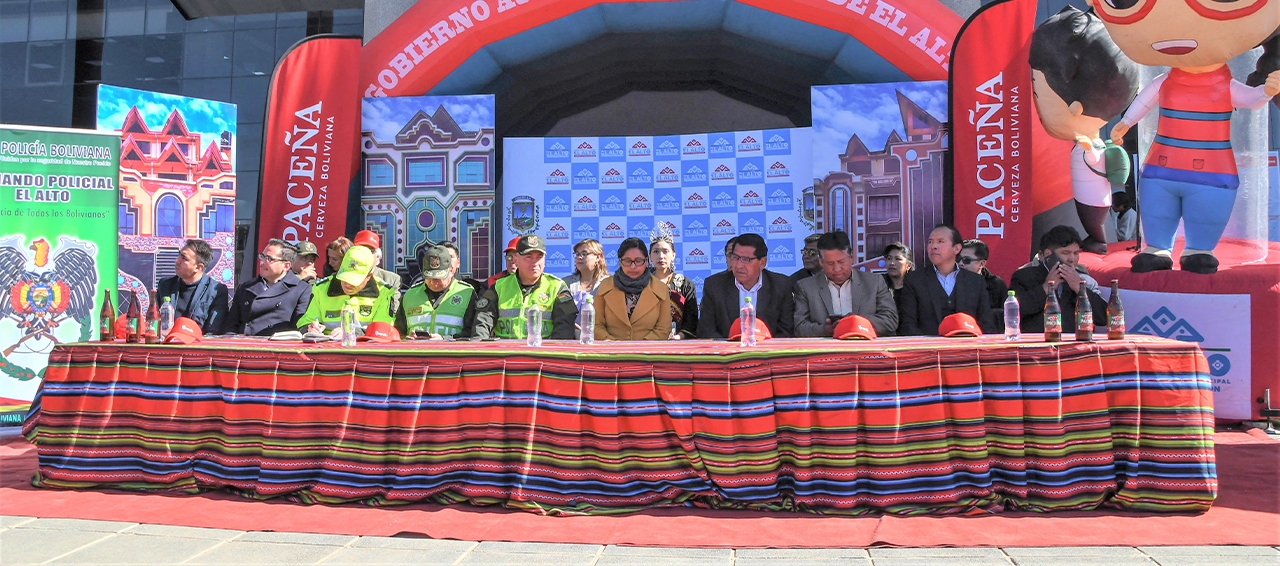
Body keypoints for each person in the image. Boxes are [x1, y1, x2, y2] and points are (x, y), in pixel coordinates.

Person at [1029, 7, 1140, 255]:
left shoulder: (1091, 143)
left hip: (1093, 197)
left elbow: (1096, 162)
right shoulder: (1089, 139)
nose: (1036, 102)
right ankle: (1096, 237)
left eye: (1037, 92)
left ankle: (1099, 238)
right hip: (1088, 193)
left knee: (1094, 215)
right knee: (1090, 213)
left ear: (1075, 107)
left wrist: (1089, 151)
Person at [794, 231, 898, 337]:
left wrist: (856, 322)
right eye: (830, 263)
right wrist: (824, 330)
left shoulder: (874, 282)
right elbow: (799, 327)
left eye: (841, 262)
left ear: (851, 256)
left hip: (867, 349)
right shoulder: (805, 287)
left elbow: (890, 320)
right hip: (827, 350)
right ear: (821, 262)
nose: (837, 269)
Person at [473, 235, 577, 340]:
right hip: (505, 352)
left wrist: (551, 353)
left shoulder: (558, 287)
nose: (535, 262)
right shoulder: (498, 286)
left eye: (539, 257)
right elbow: (482, 321)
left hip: (542, 353)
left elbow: (566, 326)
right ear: (516, 260)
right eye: (529, 257)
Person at [897, 225, 994, 336]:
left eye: (940, 241)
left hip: (967, 347)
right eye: (930, 242)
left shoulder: (976, 281)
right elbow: (908, 324)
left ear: (957, 248)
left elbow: (986, 324)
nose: (933, 246)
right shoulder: (914, 280)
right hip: (928, 349)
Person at [1009, 225, 1108, 334]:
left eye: (1076, 253)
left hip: (1075, 345)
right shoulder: (1024, 276)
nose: (1072, 259)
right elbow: (1012, 313)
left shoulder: (1085, 280)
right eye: (1066, 253)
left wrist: (1080, 289)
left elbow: (1104, 318)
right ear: (1048, 254)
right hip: (1038, 345)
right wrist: (1045, 288)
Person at [697, 233, 795, 339]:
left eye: (746, 259)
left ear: (762, 262)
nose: (738, 265)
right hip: (727, 353)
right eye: (735, 257)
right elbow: (706, 331)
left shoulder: (781, 285)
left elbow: (785, 332)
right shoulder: (714, 285)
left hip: (767, 353)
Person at [298, 245, 399, 341]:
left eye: (354, 280)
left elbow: (383, 329)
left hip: (365, 352)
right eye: (344, 277)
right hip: (327, 352)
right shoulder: (320, 288)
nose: (348, 284)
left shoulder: (384, 292)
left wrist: (353, 332)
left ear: (368, 276)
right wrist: (310, 328)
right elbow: (304, 322)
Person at [225, 238, 312, 336]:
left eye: (269, 259)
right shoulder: (245, 288)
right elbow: (231, 325)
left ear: (286, 266)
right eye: (262, 256)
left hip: (277, 347)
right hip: (246, 345)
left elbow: (299, 325)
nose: (262, 262)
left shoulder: (301, 289)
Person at [593, 237, 671, 340]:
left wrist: (639, 347)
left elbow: (663, 329)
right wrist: (613, 344)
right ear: (620, 262)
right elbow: (595, 326)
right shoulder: (605, 286)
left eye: (638, 261)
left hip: (647, 353)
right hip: (611, 352)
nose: (633, 266)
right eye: (627, 261)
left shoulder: (661, 289)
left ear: (646, 261)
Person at [396, 246, 476, 339]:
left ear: (450, 270)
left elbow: (472, 334)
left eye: (439, 277)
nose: (434, 282)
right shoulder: (410, 295)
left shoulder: (466, 293)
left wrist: (445, 339)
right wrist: (406, 339)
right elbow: (398, 332)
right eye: (429, 277)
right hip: (416, 352)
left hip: (451, 352)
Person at [155, 238, 228, 335]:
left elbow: (213, 331)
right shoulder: (165, 285)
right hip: (167, 344)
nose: (177, 261)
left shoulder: (216, 291)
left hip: (197, 346)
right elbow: (155, 321)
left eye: (184, 258)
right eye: (179, 255)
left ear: (198, 267)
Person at [650, 234, 698, 340]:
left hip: (677, 343)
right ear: (650, 256)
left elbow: (691, 320)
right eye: (656, 252)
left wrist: (678, 337)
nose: (661, 256)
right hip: (646, 341)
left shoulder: (685, 284)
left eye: (665, 251)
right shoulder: (642, 284)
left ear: (673, 255)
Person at [961, 239, 1008, 332]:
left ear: (982, 263)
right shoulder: (950, 281)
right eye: (958, 259)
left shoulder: (997, 284)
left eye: (966, 260)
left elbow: (1005, 316)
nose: (960, 263)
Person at [563, 238, 607, 310]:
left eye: (584, 254)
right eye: (577, 254)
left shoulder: (608, 283)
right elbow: (562, 308)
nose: (579, 257)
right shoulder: (565, 283)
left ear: (598, 257)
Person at [881, 242, 913, 312]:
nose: (892, 263)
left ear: (908, 266)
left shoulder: (915, 287)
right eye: (889, 258)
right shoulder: (879, 285)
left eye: (898, 259)